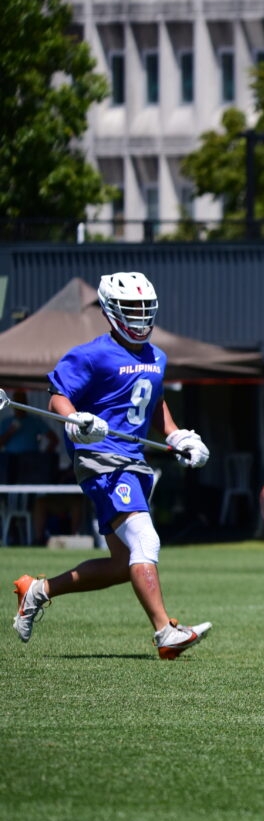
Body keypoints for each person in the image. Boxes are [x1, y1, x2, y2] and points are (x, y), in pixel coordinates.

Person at [12, 271, 214, 659]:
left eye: (144, 308)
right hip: (101, 459)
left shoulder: (157, 356)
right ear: (110, 310)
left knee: (123, 564)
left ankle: (37, 591)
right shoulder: (92, 354)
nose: (139, 316)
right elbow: (58, 397)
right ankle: (165, 632)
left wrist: (178, 436)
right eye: (131, 308)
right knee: (145, 541)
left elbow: (153, 402)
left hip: (133, 461)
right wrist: (75, 419)